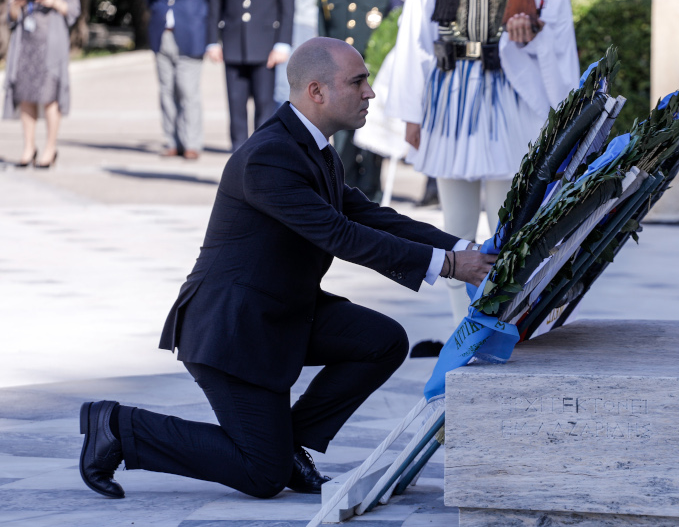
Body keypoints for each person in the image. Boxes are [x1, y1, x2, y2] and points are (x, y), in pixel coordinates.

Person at [78, 37, 496, 500]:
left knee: (382, 342)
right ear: (316, 91)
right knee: (263, 474)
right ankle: (117, 426)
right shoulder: (270, 156)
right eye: (357, 82)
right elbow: (341, 236)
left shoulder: (313, 147)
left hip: (282, 312)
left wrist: (466, 247)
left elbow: (370, 216)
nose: (370, 93)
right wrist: (451, 265)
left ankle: (288, 443)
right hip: (233, 331)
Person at [384, 0, 579, 325]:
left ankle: (508, 320)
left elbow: (557, 33)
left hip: (511, 95)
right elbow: (415, 35)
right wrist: (410, 113)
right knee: (457, 225)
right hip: (450, 94)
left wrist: (530, 34)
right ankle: (464, 327)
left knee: (513, 224)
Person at [317, 0, 393, 202]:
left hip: (373, 81)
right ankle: (344, 196)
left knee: (371, 148)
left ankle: (371, 198)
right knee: (342, 147)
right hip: (340, 84)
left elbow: (392, 32)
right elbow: (323, 38)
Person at [206, 0, 294, 151]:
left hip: (266, 43)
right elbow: (215, 5)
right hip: (233, 41)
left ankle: (263, 151)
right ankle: (238, 153)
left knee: (264, 103)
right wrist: (212, 41)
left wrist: (283, 42)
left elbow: (287, 7)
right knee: (235, 102)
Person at [2, 0, 80, 169]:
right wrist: (15, 8)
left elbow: (74, 12)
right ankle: (29, 148)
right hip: (25, 45)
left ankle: (49, 149)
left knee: (50, 96)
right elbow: (10, 17)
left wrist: (55, 2)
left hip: (51, 47)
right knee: (25, 95)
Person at [147, 0, 213, 160]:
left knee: (188, 92)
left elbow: (212, 2)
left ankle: (192, 143)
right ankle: (172, 142)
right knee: (166, 92)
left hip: (191, 34)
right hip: (161, 34)